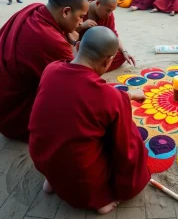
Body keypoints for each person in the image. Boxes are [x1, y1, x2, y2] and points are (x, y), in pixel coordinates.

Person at [29, 26, 150, 214]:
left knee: (61, 126)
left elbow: (94, 97)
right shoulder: (108, 96)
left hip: (42, 157)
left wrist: (130, 95)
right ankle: (98, 199)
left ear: (77, 46)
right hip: (81, 177)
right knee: (130, 136)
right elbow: (125, 148)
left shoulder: (51, 69)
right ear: (109, 61)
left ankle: (52, 181)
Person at [0, 0, 89, 141]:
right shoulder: (51, 41)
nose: (81, 23)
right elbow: (78, 83)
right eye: (81, 16)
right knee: (82, 110)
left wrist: (65, 35)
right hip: (16, 116)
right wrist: (72, 45)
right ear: (66, 12)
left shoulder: (34, 8)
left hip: (5, 101)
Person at [77, 0, 135, 71]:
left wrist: (124, 51)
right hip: (81, 51)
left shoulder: (108, 15)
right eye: (108, 10)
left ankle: (87, 68)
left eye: (112, 11)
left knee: (121, 56)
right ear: (98, 3)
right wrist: (82, 26)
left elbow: (113, 34)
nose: (110, 14)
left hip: (97, 51)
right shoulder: (82, 10)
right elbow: (68, 33)